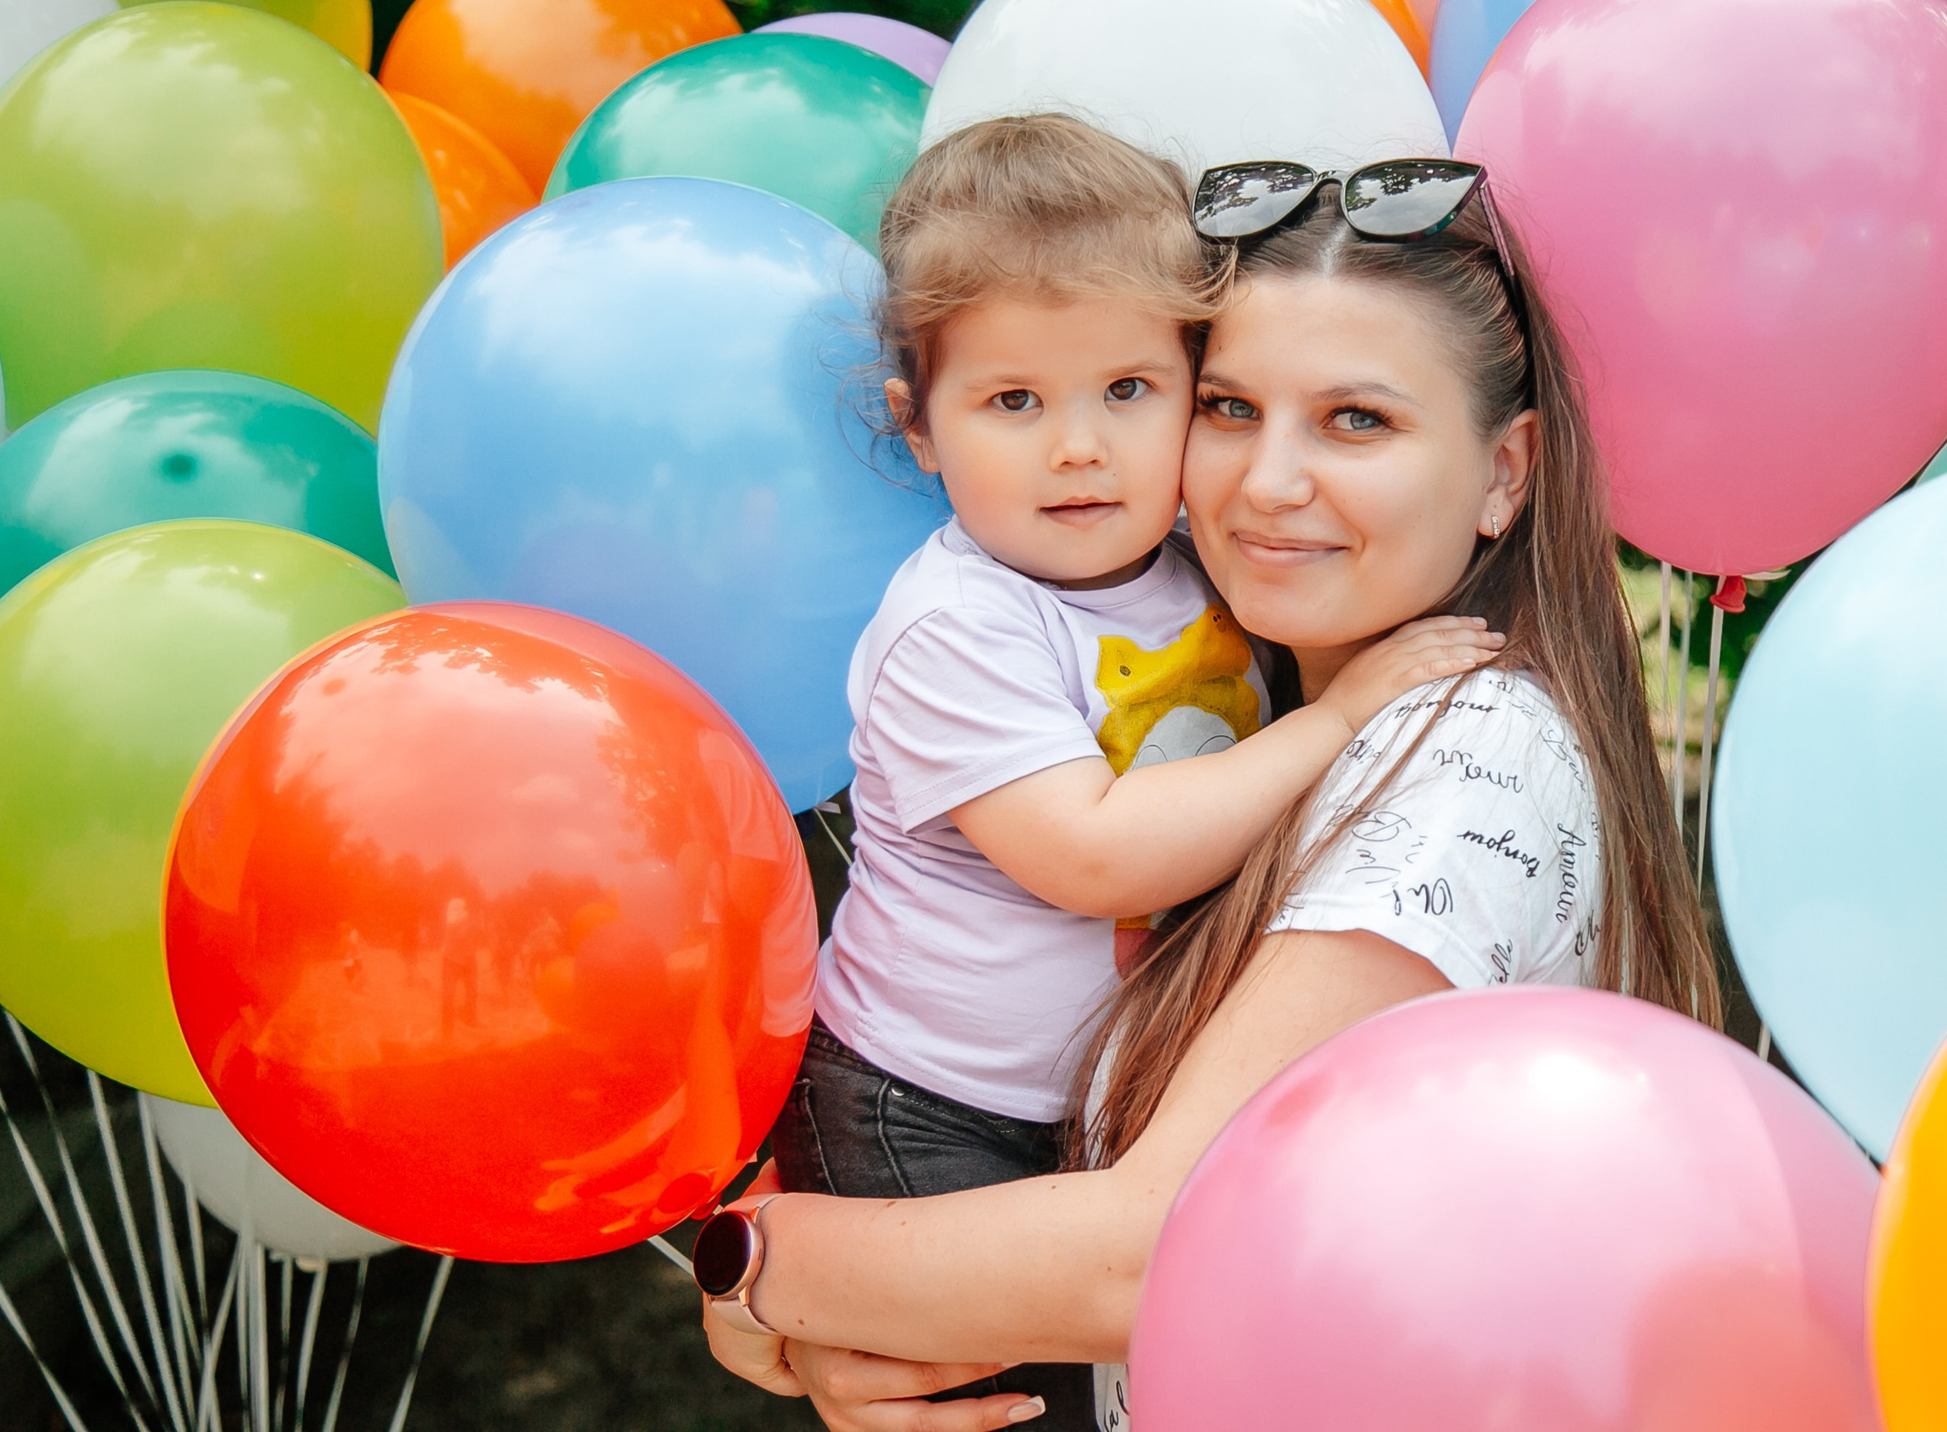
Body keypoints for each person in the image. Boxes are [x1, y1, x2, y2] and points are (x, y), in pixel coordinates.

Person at [704, 159, 1719, 1432]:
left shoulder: (1468, 762)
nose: (1267, 482)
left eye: (1358, 420)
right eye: (1231, 407)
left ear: (1504, 470)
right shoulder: (1253, 684)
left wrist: (762, 1270)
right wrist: (896, 1292)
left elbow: (1146, 1251)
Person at [788, 120, 1506, 1426]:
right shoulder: (958, 625)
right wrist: (1339, 718)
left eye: (1128, 389)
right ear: (919, 426)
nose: (1080, 447)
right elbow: (1093, 853)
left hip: (1080, 1116)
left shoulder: (1194, 566)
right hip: (923, 1104)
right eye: (1015, 401)